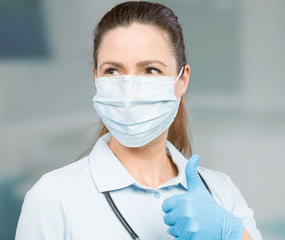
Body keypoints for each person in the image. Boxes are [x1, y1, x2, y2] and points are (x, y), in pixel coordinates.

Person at [15, 1, 262, 239]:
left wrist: (232, 234)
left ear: (181, 81)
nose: (129, 90)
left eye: (151, 70)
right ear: (96, 79)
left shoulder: (220, 193)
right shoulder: (53, 197)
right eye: (112, 71)